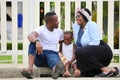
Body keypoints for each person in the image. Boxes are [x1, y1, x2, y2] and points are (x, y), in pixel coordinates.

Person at [72, 8, 119, 77]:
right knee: (84, 72)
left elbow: (96, 42)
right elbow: (77, 44)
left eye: (79, 16)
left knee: (79, 52)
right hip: (89, 55)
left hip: (102, 51)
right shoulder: (76, 26)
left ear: (85, 17)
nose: (76, 18)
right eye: (76, 17)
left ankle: (105, 70)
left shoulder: (92, 25)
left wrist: (82, 51)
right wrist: (75, 60)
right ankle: (112, 70)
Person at [21, 11, 64, 79]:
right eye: (56, 21)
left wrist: (60, 51)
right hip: (40, 54)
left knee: (55, 61)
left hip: (52, 54)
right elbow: (30, 36)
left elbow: (62, 42)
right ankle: (30, 70)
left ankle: (56, 71)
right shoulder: (41, 29)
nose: (58, 22)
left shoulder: (59, 31)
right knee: (33, 43)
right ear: (49, 22)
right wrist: (37, 41)